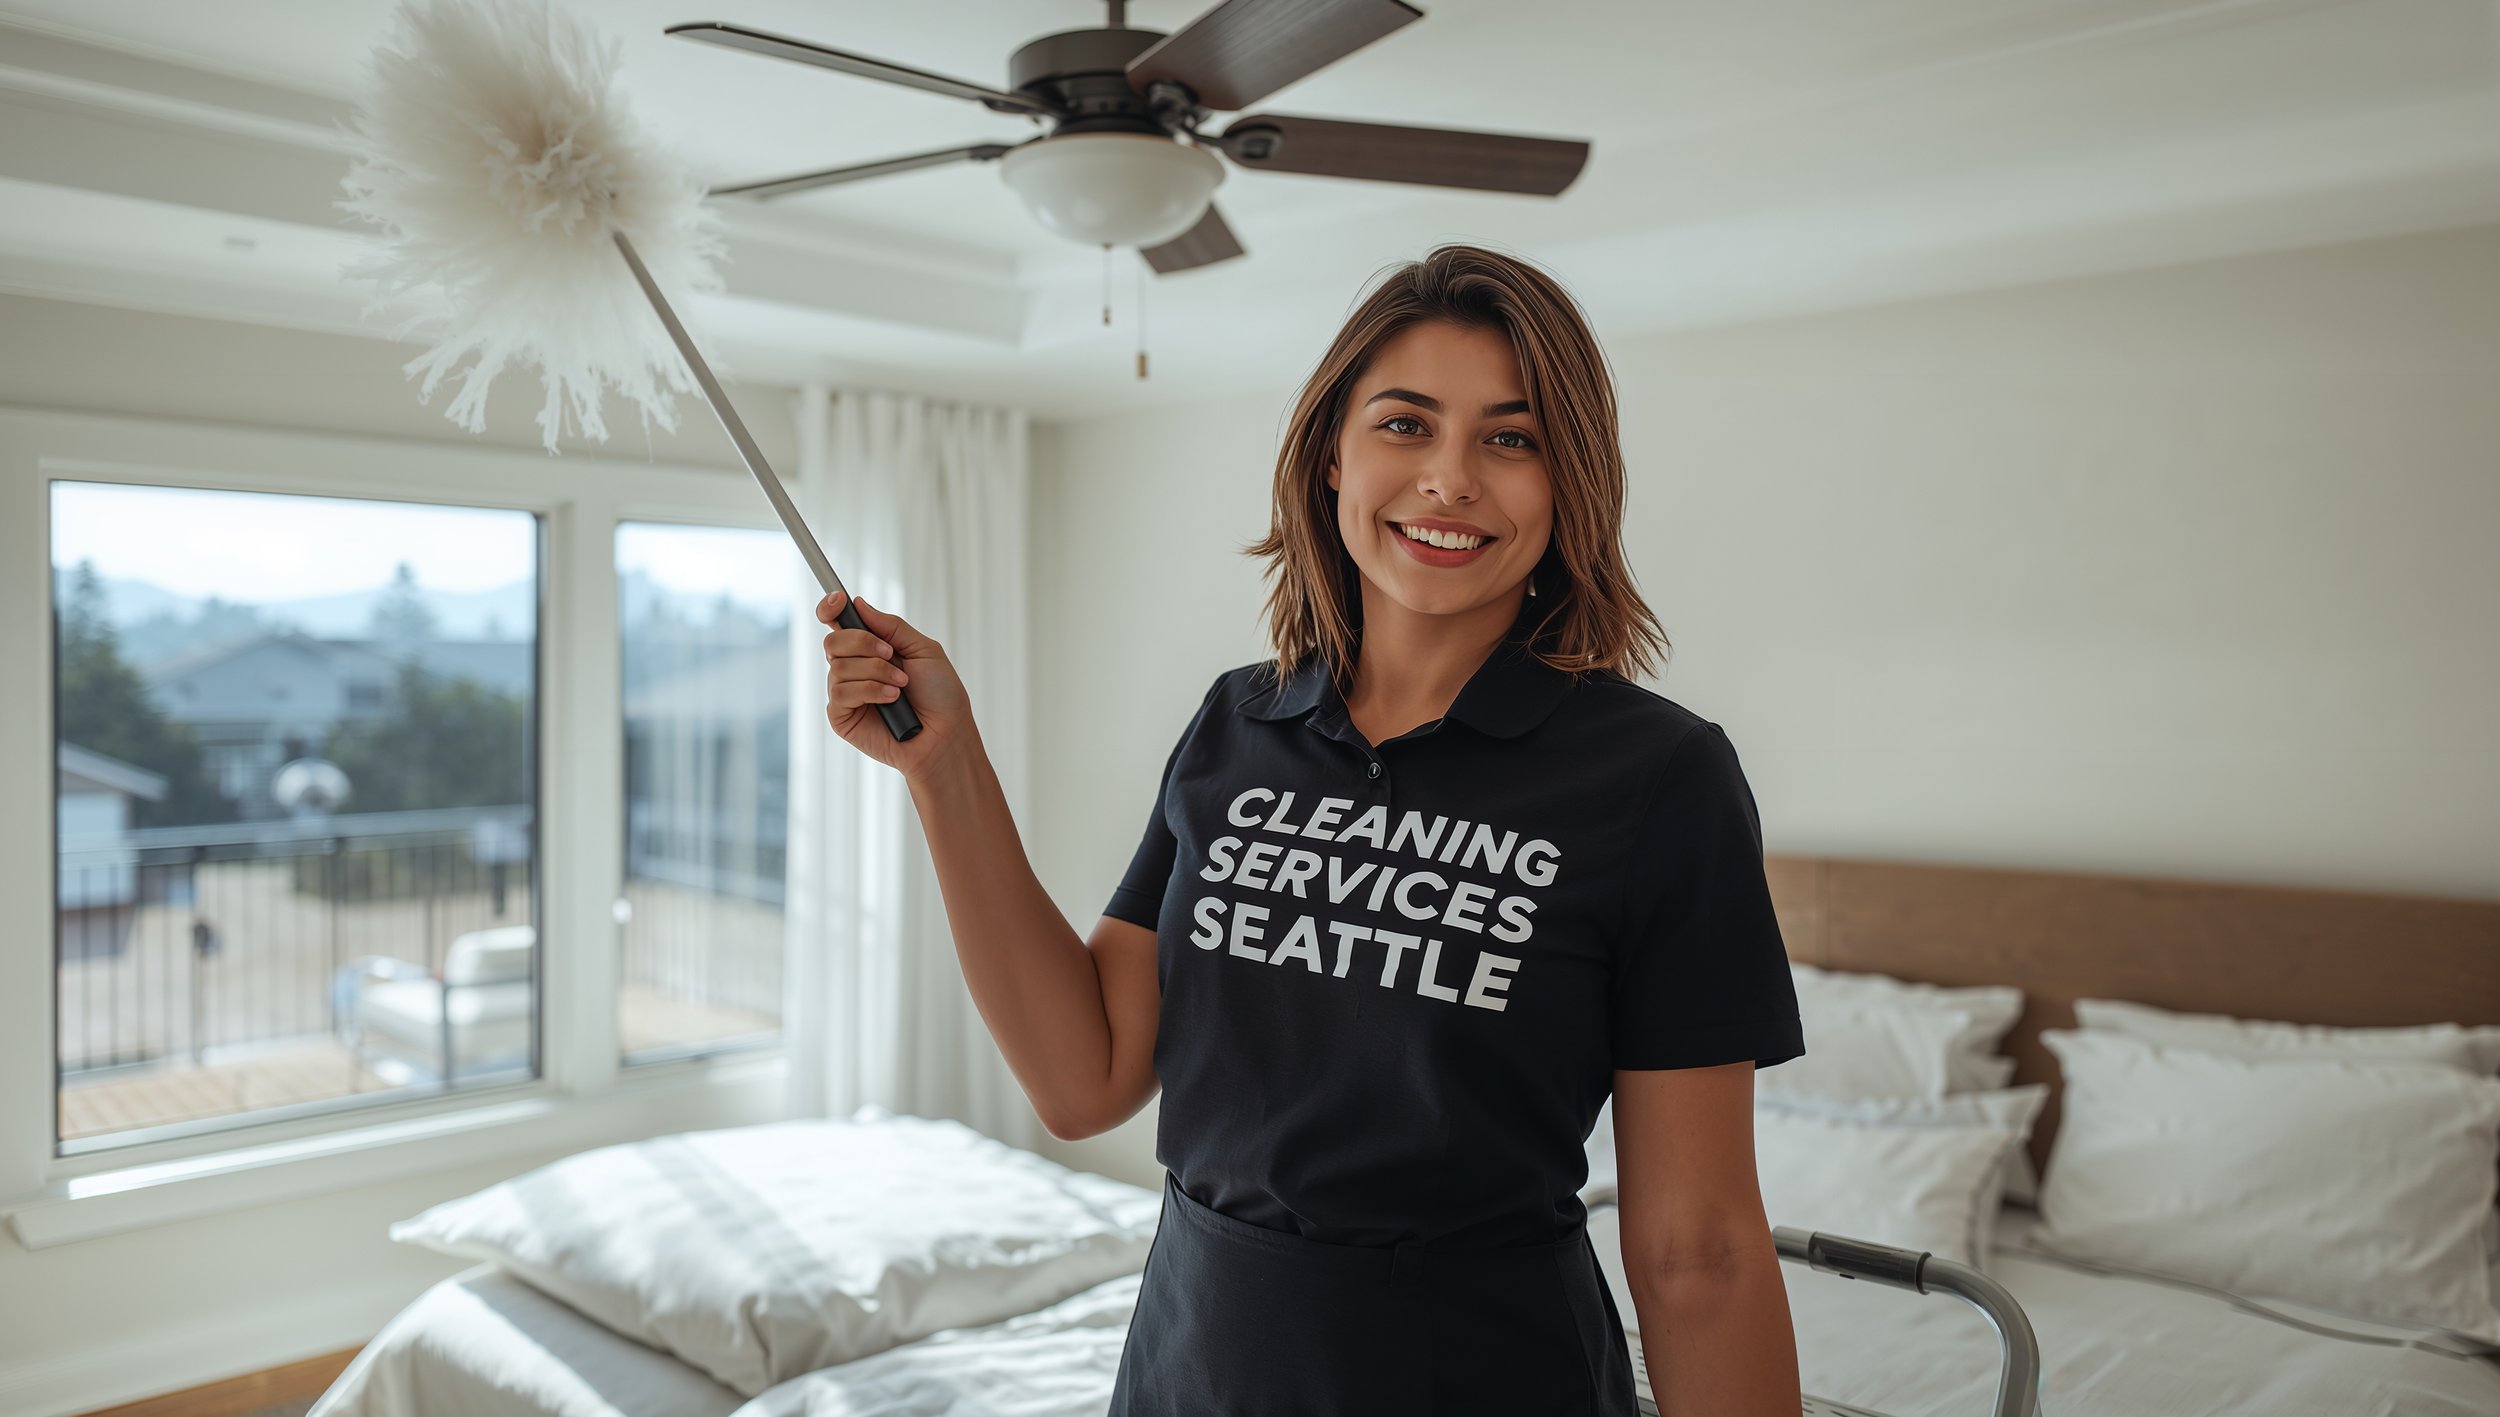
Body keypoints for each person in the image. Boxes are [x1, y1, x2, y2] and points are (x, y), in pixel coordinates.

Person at [813, 243, 1807, 1416]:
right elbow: (1084, 1081)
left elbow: (1700, 1252)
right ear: (1333, 454)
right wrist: (945, 766)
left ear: (1567, 482)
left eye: (1511, 439)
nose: (1449, 479)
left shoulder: (1658, 776)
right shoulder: (1237, 722)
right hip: (1193, 1364)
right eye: (1405, 424)